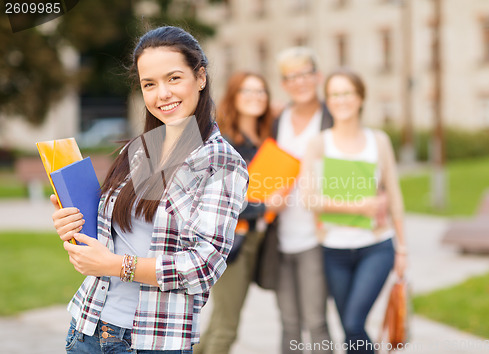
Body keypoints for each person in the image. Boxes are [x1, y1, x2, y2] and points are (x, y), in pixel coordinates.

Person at [50, 26, 249, 353]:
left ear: (200, 77)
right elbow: (122, 235)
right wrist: (71, 222)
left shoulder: (220, 162)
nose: (162, 94)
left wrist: (115, 265)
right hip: (88, 327)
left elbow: (203, 266)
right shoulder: (142, 149)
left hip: (152, 341)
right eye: (149, 84)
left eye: (173, 78)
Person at [300, 68, 407, 354]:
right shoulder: (319, 143)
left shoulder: (379, 141)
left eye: (347, 93)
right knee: (350, 330)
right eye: (334, 94)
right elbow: (308, 198)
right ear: (328, 100)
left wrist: (403, 249)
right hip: (334, 250)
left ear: (360, 98)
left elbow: (394, 196)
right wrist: (358, 206)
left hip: (376, 247)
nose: (341, 100)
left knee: (354, 322)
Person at [194, 71, 274, 354]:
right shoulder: (225, 142)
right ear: (234, 96)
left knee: (219, 321)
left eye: (261, 91)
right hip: (232, 243)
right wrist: (266, 205)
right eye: (247, 91)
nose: (256, 97)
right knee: (227, 327)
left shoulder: (264, 138)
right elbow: (222, 201)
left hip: (256, 240)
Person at [270, 46, 334, 354]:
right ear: (284, 84)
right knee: (289, 322)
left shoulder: (331, 118)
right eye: (291, 77)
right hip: (280, 236)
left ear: (317, 76)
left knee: (316, 320)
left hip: (314, 237)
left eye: (305, 74)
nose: (300, 82)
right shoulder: (278, 120)